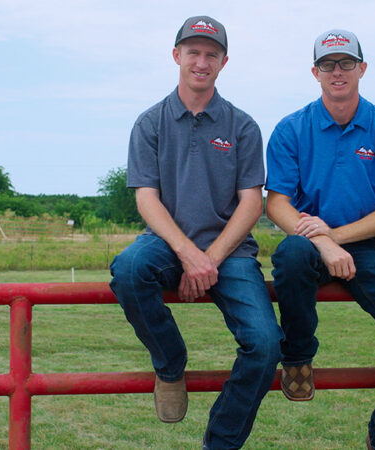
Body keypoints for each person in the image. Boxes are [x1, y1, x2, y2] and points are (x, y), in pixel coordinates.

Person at [109, 15, 282, 450]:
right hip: (167, 244)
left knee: (265, 345)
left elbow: (251, 201)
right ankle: (170, 366)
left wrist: (211, 258)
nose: (201, 62)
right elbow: (147, 198)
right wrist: (188, 254)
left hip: (232, 251)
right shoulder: (150, 122)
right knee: (129, 269)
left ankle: (219, 443)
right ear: (176, 56)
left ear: (224, 62)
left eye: (211, 54)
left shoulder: (242, 126)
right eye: (193, 52)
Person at [265, 29, 375, 450]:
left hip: (363, 244)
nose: (338, 72)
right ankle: (298, 354)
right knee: (291, 255)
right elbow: (277, 204)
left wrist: (334, 236)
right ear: (314, 72)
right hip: (306, 242)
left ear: (362, 68)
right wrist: (321, 241)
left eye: (346, 63)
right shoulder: (290, 129)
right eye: (328, 65)